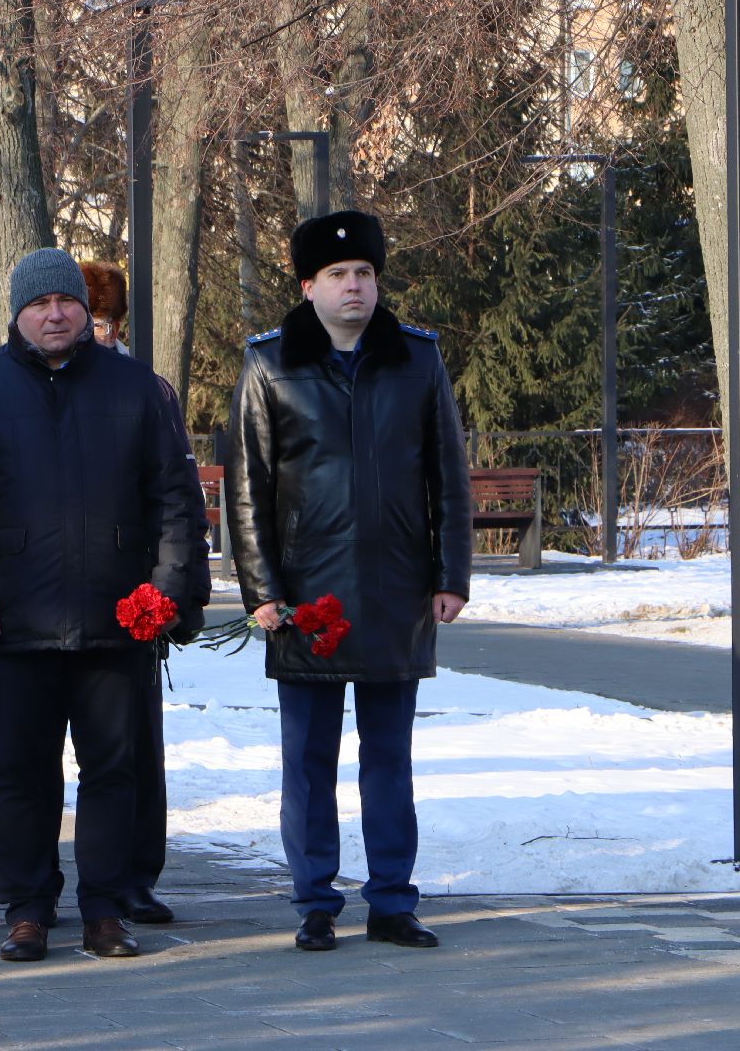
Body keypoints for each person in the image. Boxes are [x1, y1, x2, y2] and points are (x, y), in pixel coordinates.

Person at [0, 249, 205, 962]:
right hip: (13, 622)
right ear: (17, 312)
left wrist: (162, 595)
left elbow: (176, 501)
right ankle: (26, 908)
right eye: (40, 304)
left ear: (86, 309)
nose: (56, 314)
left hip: (116, 621)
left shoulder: (136, 389)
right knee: (20, 772)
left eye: (68, 303)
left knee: (113, 771)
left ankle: (106, 907)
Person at [223, 210, 472, 952]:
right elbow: (248, 488)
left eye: (363, 273)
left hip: (396, 592)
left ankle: (392, 900)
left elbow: (448, 480)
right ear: (309, 287)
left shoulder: (418, 360)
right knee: (307, 760)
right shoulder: (270, 365)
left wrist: (450, 574)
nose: (354, 287)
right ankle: (314, 901)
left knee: (388, 759)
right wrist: (263, 590)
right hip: (307, 598)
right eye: (337, 276)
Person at [78, 259, 211, 925]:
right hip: (57, 596)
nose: (94, 333)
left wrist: (179, 593)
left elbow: (178, 497)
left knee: (135, 746)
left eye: (103, 322)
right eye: (85, 319)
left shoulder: (150, 392)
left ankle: (135, 873)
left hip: (132, 596)